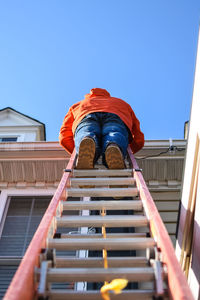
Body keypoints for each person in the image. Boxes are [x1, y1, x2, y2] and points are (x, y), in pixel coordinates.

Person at [59, 88, 144, 169]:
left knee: (86, 131)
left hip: (86, 117)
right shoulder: (122, 103)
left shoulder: (77, 105)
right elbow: (137, 131)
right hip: (115, 118)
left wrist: (78, 152)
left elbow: (64, 134)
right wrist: (130, 150)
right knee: (114, 133)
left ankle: (86, 141)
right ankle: (113, 146)